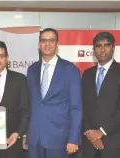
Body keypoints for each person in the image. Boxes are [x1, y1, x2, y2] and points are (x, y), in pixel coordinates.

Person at [26, 28, 82, 158]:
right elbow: (29, 104)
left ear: (57, 44)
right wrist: (26, 134)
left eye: (51, 40)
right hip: (35, 138)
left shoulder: (70, 70)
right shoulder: (32, 70)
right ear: (39, 45)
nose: (47, 44)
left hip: (59, 138)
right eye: (44, 40)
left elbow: (76, 107)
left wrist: (73, 138)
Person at [82, 32, 120, 158]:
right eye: (98, 46)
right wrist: (90, 133)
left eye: (106, 45)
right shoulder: (87, 74)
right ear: (94, 49)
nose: (102, 49)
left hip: (114, 143)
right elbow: (82, 105)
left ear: (113, 48)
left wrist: (101, 132)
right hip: (89, 142)